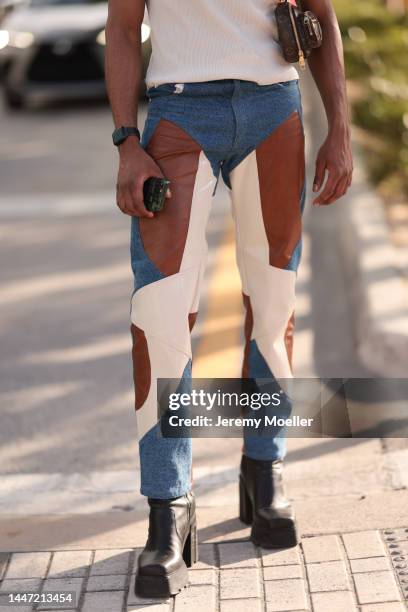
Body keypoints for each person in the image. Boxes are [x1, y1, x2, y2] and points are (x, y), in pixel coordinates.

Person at [105, 0, 353, 598]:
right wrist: (126, 141)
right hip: (178, 115)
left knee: (273, 304)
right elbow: (120, 26)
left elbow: (322, 15)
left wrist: (339, 128)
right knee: (160, 315)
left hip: (275, 110)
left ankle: (264, 472)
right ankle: (169, 507)